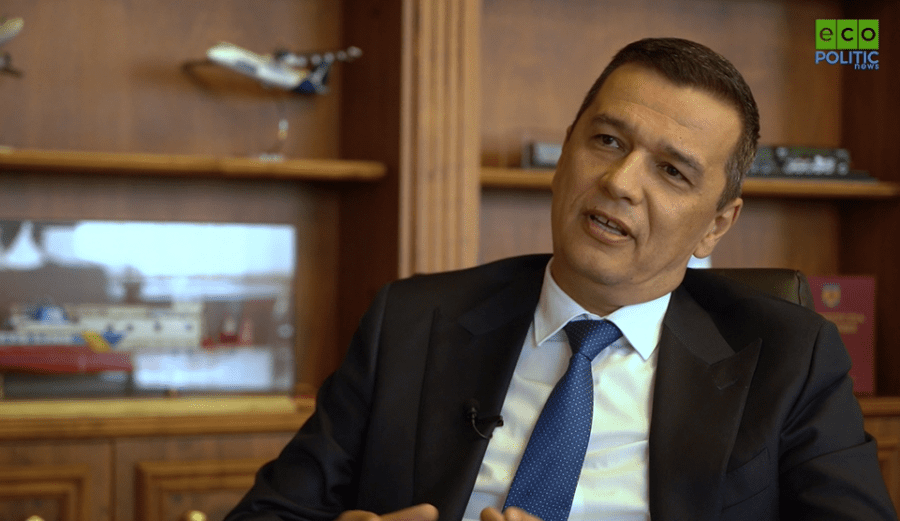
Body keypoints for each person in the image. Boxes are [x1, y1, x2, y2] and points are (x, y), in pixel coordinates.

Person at [224, 38, 897, 521]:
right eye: (607, 141)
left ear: (716, 225)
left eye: (671, 171)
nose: (620, 181)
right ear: (565, 151)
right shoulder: (411, 321)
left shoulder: (790, 358)